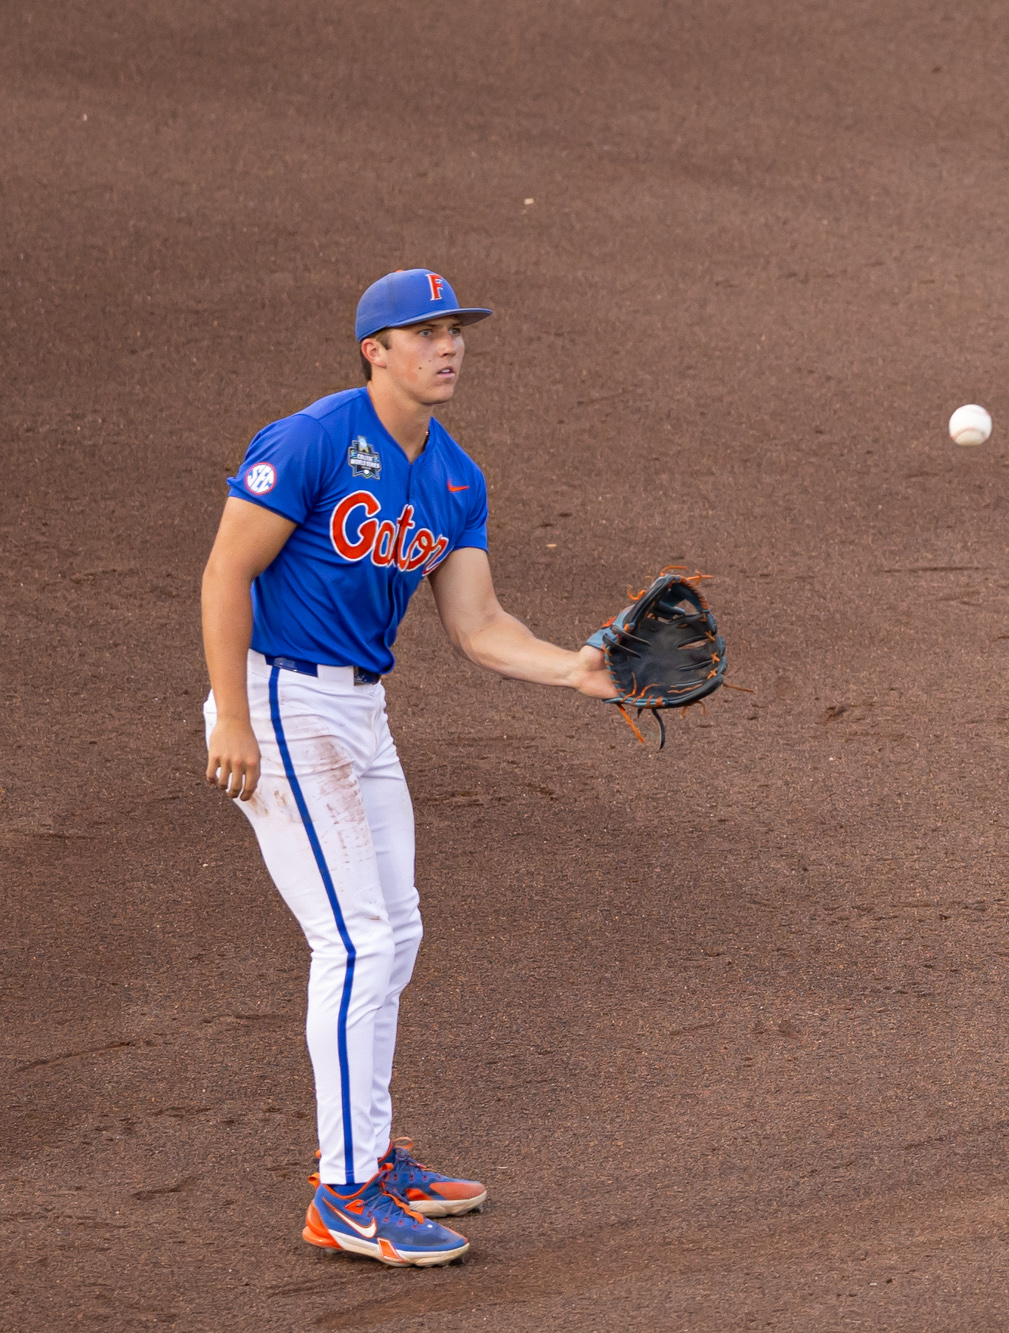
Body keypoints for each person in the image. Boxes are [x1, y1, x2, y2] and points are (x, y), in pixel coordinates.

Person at [200, 268, 616, 1265]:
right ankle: (343, 1195)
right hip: (278, 698)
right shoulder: (310, 440)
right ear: (373, 350)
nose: (448, 346)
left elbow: (476, 624)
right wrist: (233, 718)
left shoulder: (454, 477)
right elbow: (227, 569)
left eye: (456, 330)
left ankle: (371, 1153)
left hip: (358, 710)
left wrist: (574, 669)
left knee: (399, 927)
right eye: (424, 332)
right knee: (355, 940)